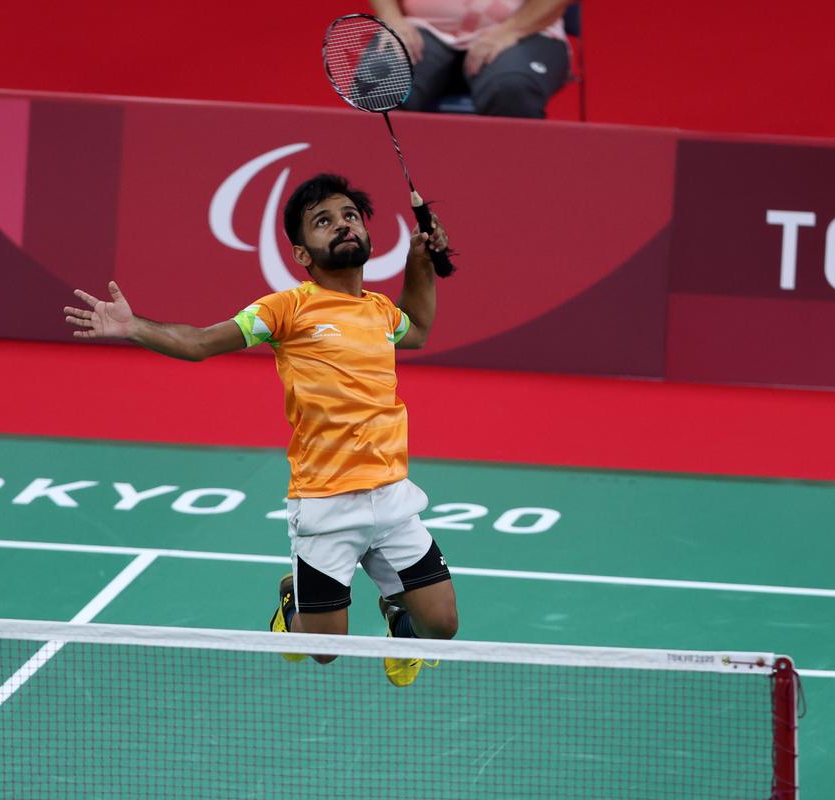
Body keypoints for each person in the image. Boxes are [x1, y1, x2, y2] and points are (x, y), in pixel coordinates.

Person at [63, 174, 458, 687]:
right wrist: (135, 326)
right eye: (323, 221)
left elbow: (419, 329)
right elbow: (203, 342)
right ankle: (291, 600)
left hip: (391, 496)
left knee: (443, 626)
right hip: (326, 503)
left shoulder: (380, 312)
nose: (341, 225)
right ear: (301, 253)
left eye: (349, 216)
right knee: (322, 652)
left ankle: (398, 616)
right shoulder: (287, 309)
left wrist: (420, 261)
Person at [370, 0, 573, 118]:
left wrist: (512, 29)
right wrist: (391, 18)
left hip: (521, 31)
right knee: (379, 84)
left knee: (512, 89)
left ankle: (514, 185)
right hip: (420, 28)